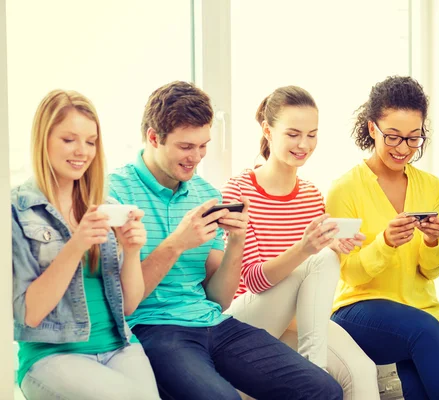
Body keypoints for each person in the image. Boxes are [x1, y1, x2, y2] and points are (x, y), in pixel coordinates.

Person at [108, 81, 343, 400]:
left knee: (322, 389)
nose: (196, 158)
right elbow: (121, 303)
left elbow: (219, 299)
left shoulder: (205, 194)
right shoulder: (114, 195)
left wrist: (237, 242)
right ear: (153, 137)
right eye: (186, 147)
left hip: (212, 322)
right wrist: (177, 243)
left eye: (203, 146)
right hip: (154, 329)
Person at [222, 85, 380, 399]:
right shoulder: (240, 190)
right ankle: (314, 374)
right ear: (268, 131)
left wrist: (333, 247)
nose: (304, 144)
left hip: (299, 324)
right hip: (247, 321)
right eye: (293, 134)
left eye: (312, 134)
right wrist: (308, 250)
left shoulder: (310, 194)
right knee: (318, 258)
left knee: (362, 371)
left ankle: (314, 371)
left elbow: (314, 272)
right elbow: (252, 279)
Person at [327, 76, 439, 400]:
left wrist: (432, 243)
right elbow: (349, 272)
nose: (403, 149)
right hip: (358, 310)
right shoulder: (345, 189)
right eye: (393, 137)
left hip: (422, 312)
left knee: (422, 374)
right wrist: (385, 243)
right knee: (425, 332)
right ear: (372, 128)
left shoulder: (432, 187)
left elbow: (431, 271)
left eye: (413, 138)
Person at [12, 89, 159, 400]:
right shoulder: (16, 210)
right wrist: (75, 246)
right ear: (43, 140)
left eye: (91, 141)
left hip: (119, 345)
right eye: (69, 140)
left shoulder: (105, 206)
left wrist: (132, 252)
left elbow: (129, 305)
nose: (83, 151)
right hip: (51, 356)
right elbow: (30, 313)